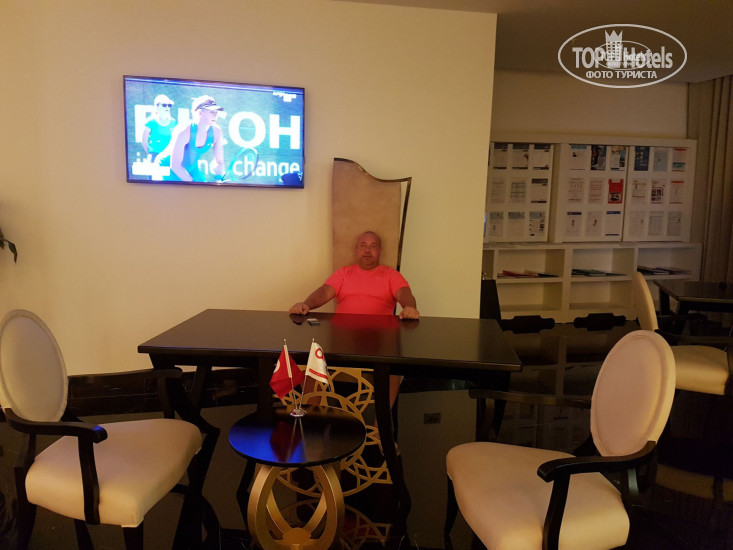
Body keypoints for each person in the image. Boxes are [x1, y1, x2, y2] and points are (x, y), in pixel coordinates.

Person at [290, 231, 419, 406]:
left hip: (380, 341)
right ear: (357, 249)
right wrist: (306, 304)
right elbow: (325, 291)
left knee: (393, 370)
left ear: (380, 250)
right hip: (342, 340)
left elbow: (405, 293)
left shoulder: (391, 275)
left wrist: (409, 307)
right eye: (363, 246)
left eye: (373, 246)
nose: (368, 250)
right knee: (310, 361)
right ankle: (313, 416)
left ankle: (380, 423)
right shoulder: (344, 273)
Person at [169, 95, 225, 182]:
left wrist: (218, 177)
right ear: (200, 113)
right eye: (212, 112)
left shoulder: (217, 132)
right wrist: (193, 185)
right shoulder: (184, 131)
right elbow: (175, 165)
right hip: (168, 170)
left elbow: (219, 162)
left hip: (192, 169)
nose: (215, 115)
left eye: (216, 112)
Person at [141, 94, 176, 180]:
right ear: (157, 107)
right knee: (154, 183)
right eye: (164, 105)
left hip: (169, 157)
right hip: (154, 156)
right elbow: (144, 140)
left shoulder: (173, 122)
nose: (167, 107)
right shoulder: (150, 122)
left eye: (169, 105)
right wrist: (150, 153)